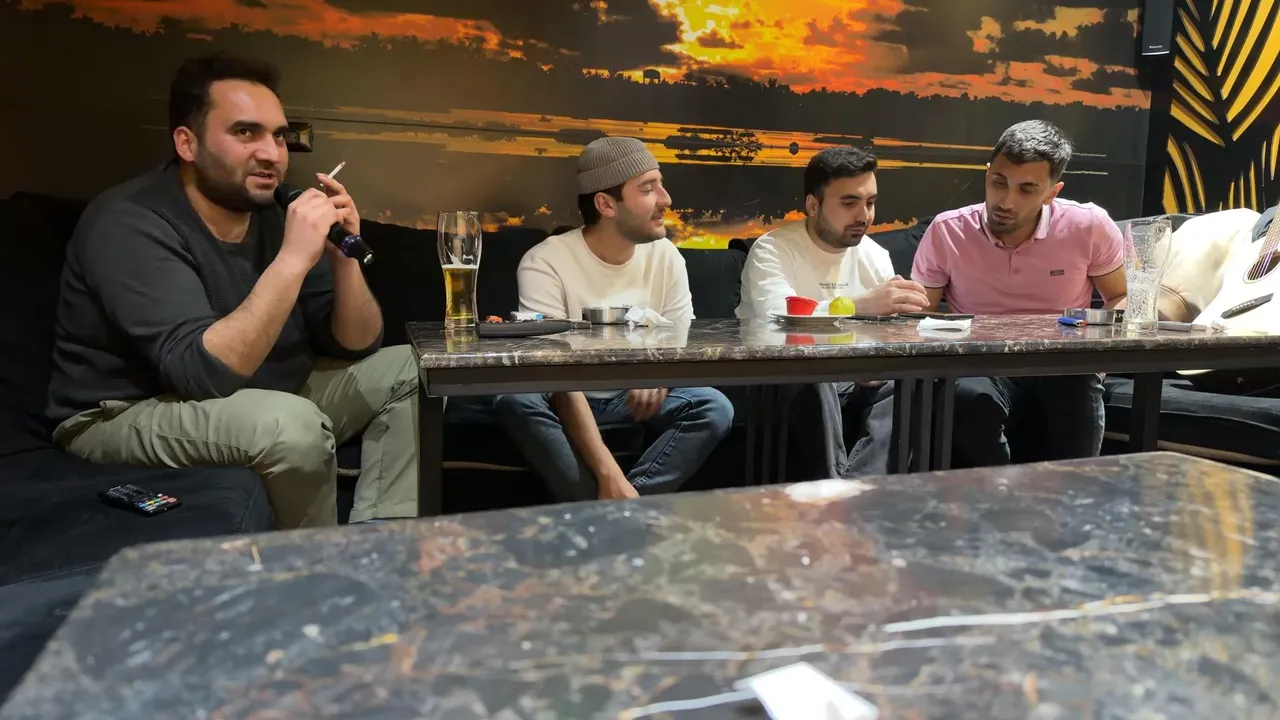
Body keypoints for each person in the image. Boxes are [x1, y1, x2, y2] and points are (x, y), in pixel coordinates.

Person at [46, 53, 419, 528]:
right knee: (290, 424)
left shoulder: (273, 209)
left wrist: (341, 258)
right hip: (122, 412)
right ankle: (317, 568)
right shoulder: (129, 222)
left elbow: (355, 343)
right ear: (187, 143)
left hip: (261, 391)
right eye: (246, 132)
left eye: (278, 135)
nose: (272, 153)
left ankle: (384, 545)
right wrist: (292, 260)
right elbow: (203, 374)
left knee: (416, 368)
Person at [494, 137, 733, 501]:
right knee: (515, 400)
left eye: (661, 185)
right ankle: (613, 509)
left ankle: (615, 514)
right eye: (648, 189)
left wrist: (656, 373)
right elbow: (554, 376)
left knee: (713, 406)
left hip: (632, 400)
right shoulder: (545, 261)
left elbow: (680, 343)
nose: (666, 199)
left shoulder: (665, 256)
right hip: (565, 397)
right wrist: (608, 472)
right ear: (606, 204)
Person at [911, 119, 1127, 465]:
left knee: (1078, 381)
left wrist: (1096, 357)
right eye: (999, 183)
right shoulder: (948, 230)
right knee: (965, 394)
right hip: (981, 364)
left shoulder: (1089, 225)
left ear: (1052, 192)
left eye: (1026, 189)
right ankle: (996, 492)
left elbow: (1120, 297)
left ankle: (1075, 490)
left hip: (1061, 362)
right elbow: (919, 314)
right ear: (987, 175)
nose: (1006, 201)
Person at [736, 147, 927, 478]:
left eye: (870, 202)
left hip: (855, 377)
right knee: (814, 372)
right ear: (813, 205)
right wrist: (857, 306)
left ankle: (861, 491)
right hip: (783, 379)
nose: (864, 216)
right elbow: (778, 319)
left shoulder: (875, 255)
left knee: (907, 381)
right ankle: (834, 487)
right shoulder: (772, 250)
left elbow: (884, 333)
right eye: (849, 203)